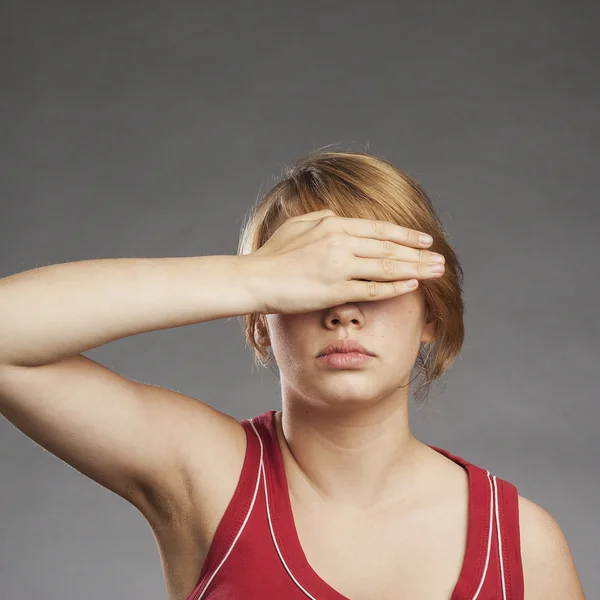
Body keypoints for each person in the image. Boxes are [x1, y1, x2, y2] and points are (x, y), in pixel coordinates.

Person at [0, 151, 585, 600]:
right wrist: (252, 278)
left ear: (432, 316)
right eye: (314, 283)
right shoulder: (209, 477)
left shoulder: (523, 545)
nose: (342, 309)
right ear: (261, 323)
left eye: (375, 278)